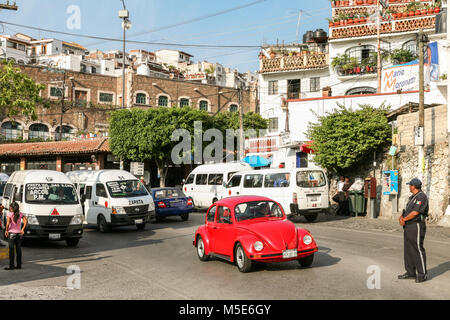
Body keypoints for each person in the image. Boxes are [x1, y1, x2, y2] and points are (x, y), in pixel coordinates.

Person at [398, 178, 429, 283]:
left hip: (416, 225)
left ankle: (422, 274)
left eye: (410, 185)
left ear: (413, 186)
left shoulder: (421, 197)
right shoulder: (413, 197)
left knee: (417, 249)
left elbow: (415, 212)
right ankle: (410, 272)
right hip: (408, 226)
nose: (409, 187)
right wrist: (401, 218)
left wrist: (404, 219)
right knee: (408, 249)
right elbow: (407, 211)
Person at [4, 202, 28, 271]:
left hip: (11, 234)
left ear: (12, 208)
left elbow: (8, 223)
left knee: (11, 250)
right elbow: (26, 221)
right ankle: (19, 265)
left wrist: (6, 230)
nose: (10, 208)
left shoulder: (10, 214)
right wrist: (22, 229)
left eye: (11, 207)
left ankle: (11, 266)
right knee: (19, 250)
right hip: (19, 234)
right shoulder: (20, 214)